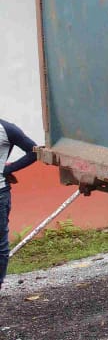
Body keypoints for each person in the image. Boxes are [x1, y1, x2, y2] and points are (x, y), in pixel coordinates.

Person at [0, 119, 38, 289]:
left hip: (0, 193)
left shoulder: (7, 129)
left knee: (0, 243)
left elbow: (34, 151)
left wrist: (9, 169)